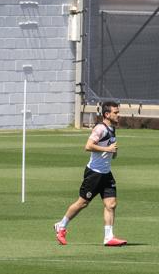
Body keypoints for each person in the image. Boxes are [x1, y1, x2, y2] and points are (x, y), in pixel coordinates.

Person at [53, 101, 127, 247]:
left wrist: (113, 152)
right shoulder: (100, 128)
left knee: (111, 204)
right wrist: (108, 150)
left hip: (106, 174)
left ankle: (108, 237)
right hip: (94, 173)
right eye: (116, 112)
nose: (118, 115)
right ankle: (61, 225)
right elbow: (88, 146)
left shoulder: (112, 129)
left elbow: (110, 149)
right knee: (82, 203)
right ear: (107, 114)